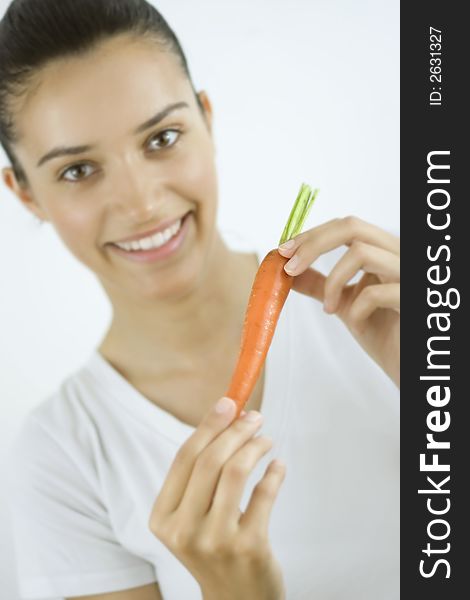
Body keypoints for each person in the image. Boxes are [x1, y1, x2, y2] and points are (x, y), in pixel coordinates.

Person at [0, 1, 400, 599]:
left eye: (162, 137)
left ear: (206, 121)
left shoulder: (384, 304)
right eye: (79, 170)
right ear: (25, 193)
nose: (140, 202)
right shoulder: (63, 457)